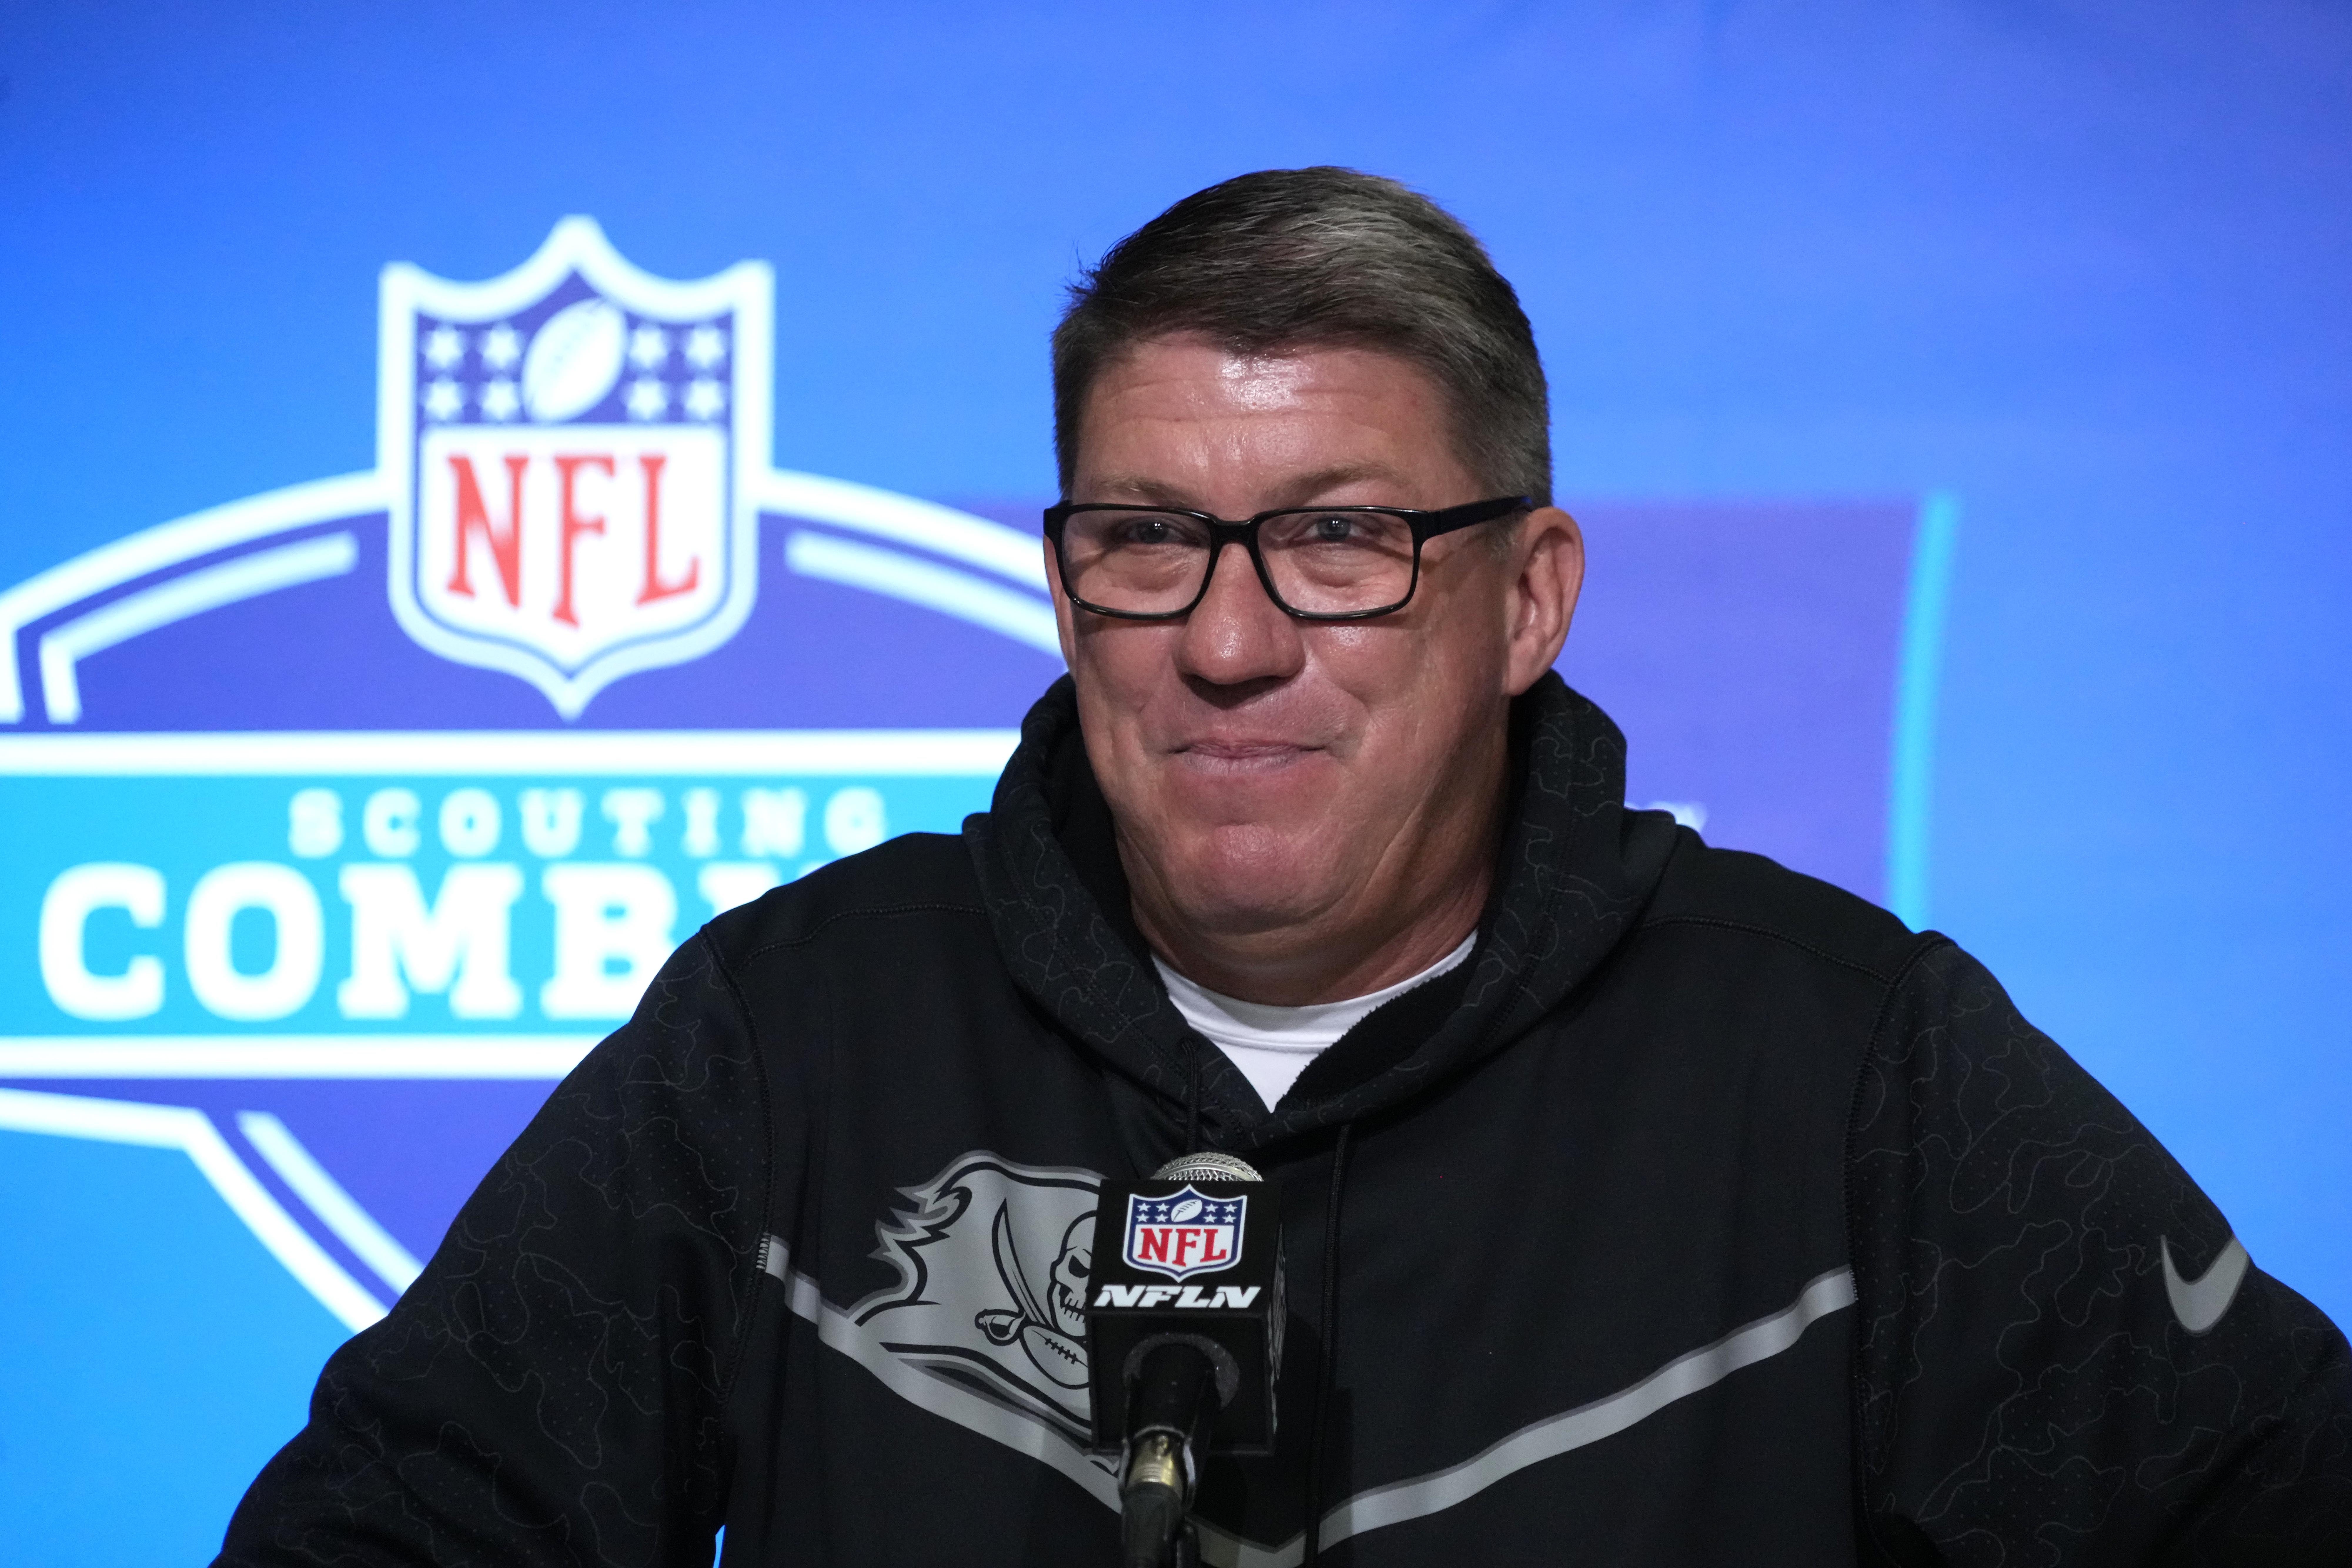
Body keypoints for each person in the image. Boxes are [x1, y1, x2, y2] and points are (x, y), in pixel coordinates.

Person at [219, 168, 2352, 1567]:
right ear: (1067, 590)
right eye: (1145, 537)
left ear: (1528, 602)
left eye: (1340, 537)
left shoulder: (1845, 1069)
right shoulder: (790, 1033)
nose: (1226, 641)